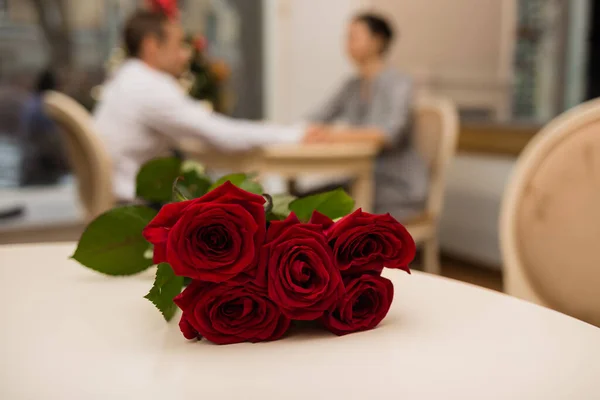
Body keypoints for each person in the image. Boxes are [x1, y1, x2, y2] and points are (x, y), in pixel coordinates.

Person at [94, 10, 309, 202]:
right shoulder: (148, 87)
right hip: (139, 204)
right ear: (152, 46)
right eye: (178, 45)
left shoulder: (125, 78)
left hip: (123, 194)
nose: (185, 54)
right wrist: (298, 135)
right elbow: (223, 135)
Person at [305, 13, 429, 220]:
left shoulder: (399, 82)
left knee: (316, 209)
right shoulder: (352, 85)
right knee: (300, 201)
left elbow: (389, 133)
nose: (347, 44)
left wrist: (333, 136)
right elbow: (318, 116)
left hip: (394, 185)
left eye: (353, 37)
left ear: (377, 41)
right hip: (361, 179)